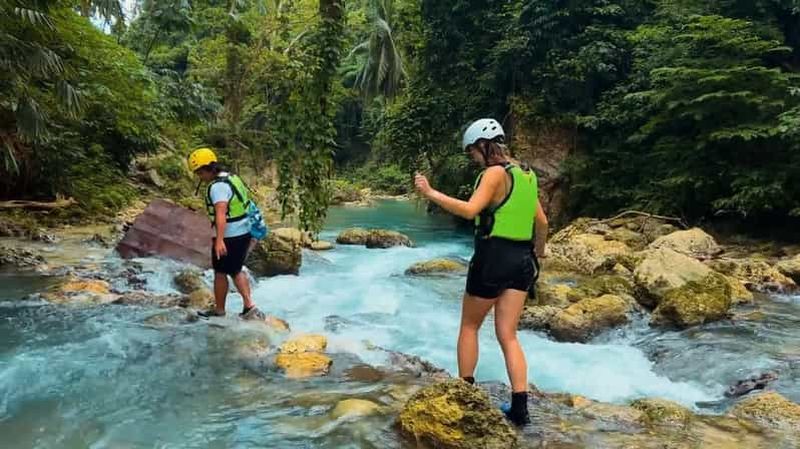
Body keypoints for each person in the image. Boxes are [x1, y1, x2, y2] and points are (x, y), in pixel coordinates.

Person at [414, 118, 548, 426]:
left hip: (492, 257)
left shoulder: (494, 173)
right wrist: (538, 254)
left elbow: (471, 210)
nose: (472, 157)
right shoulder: (526, 176)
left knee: (470, 327)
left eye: (472, 151)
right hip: (522, 261)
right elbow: (542, 223)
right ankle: (520, 409)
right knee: (508, 335)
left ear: (483, 146)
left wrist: (431, 193)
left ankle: (465, 395)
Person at [187, 147, 262, 319]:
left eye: (199, 173)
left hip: (230, 236)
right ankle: (236, 308)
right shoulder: (231, 177)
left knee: (227, 271)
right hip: (243, 231)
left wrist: (219, 241)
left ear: (207, 169)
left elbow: (221, 214)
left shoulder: (218, 187)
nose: (200, 177)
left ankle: (239, 308)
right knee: (229, 270)